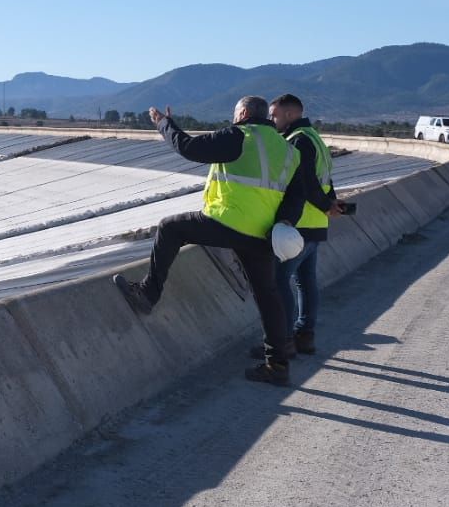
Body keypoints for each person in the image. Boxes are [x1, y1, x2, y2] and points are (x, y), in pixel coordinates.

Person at [113, 96, 305, 385]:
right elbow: (296, 196)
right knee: (268, 295)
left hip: (227, 222)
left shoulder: (239, 135)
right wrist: (283, 223)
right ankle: (277, 365)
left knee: (169, 229)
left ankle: (147, 294)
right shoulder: (288, 150)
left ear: (242, 113)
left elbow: (189, 148)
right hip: (263, 234)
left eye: (234, 113)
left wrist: (165, 125)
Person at [264, 93, 346, 358]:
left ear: (289, 114)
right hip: (315, 225)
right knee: (305, 282)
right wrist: (330, 203)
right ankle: (304, 336)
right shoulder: (315, 138)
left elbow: (307, 182)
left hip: (298, 225)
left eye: (274, 115)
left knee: (278, 282)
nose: (271, 120)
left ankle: (284, 341)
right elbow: (325, 179)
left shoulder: (297, 141)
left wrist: (325, 204)